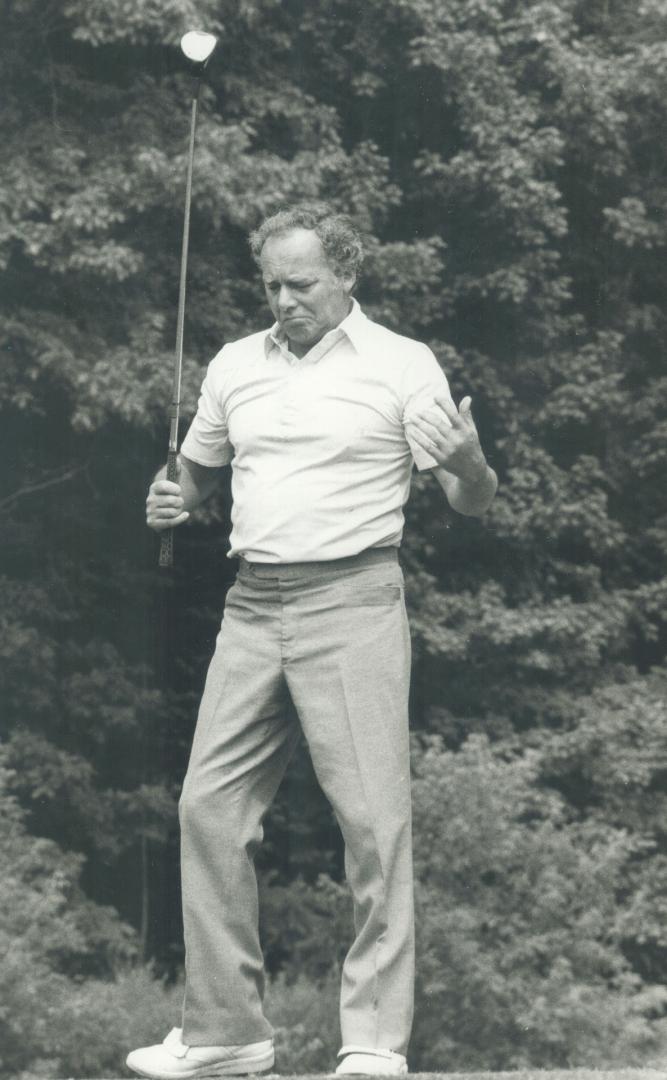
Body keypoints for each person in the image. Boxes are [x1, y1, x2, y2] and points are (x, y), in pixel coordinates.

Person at [127, 203, 497, 1080]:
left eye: (301, 283)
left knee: (373, 824)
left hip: (355, 598)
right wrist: (171, 498)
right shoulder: (232, 365)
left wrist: (473, 463)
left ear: (346, 276)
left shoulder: (402, 365)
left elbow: (467, 497)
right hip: (252, 603)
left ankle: (373, 1041)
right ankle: (226, 1034)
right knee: (206, 809)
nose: (283, 299)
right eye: (272, 284)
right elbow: (195, 481)